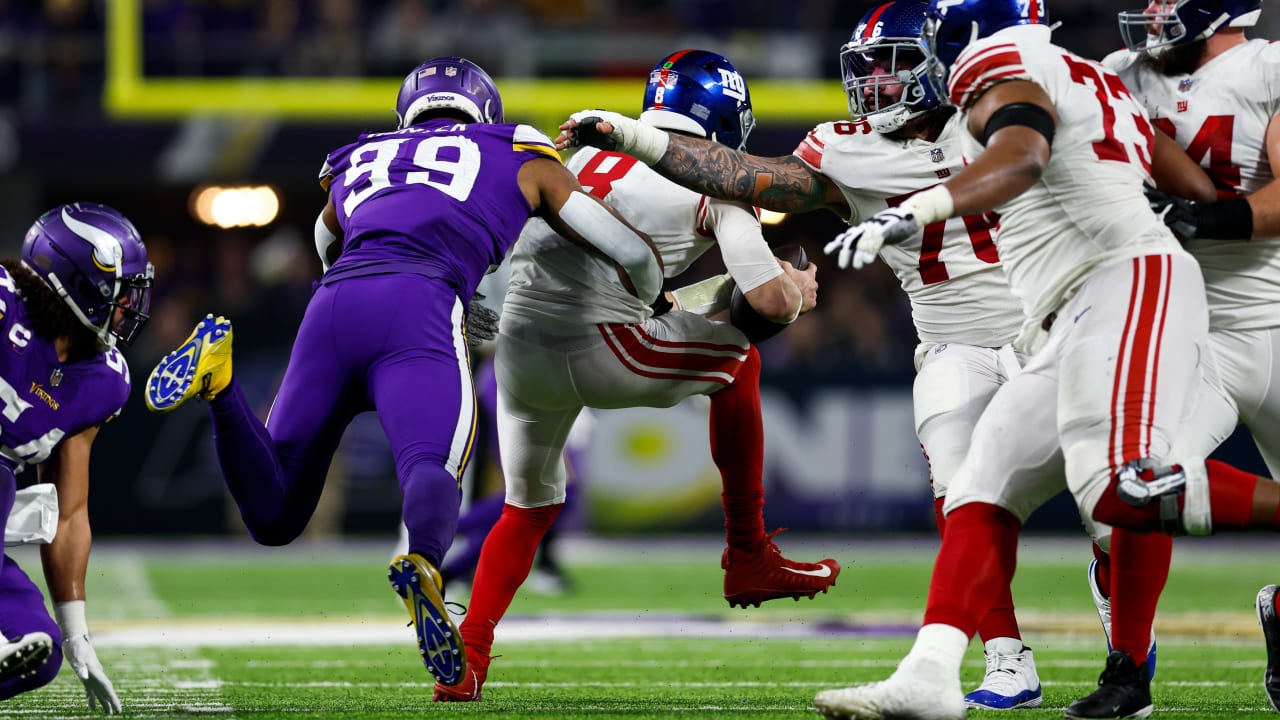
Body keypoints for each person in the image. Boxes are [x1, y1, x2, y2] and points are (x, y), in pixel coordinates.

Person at [759, 0, 1280, 717]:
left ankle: (1109, 665)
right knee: (980, 484)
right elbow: (1194, 189)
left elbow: (1024, 153)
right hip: (1080, 304)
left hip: (1123, 287)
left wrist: (918, 208)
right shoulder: (1097, 75)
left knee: (1121, 490)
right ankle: (930, 676)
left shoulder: (1000, 61)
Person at [556, 1, 1046, 708]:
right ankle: (1005, 659)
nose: (876, 81)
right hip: (951, 339)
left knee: (1109, 495)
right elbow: (743, 177)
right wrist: (637, 138)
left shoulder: (1014, 113)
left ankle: (1128, 653)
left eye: (897, 63)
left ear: (945, 61)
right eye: (869, 65)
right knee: (962, 496)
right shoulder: (846, 145)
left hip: (1049, 327)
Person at [141, 56, 665, 689]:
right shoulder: (518, 146)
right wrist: (655, 298)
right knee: (431, 463)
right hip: (419, 304)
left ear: (407, 113)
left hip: (332, 308)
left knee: (274, 515)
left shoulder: (361, 156)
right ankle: (423, 563)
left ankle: (220, 387)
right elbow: (626, 246)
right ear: (485, 111)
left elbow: (326, 239)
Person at [435, 48, 838, 703]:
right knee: (741, 363)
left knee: (527, 508)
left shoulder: (586, 154)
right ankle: (748, 552)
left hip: (519, 352)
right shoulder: (714, 176)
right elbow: (766, 304)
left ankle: (468, 662)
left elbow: (640, 284)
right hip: (598, 345)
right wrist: (794, 286)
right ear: (726, 114)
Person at [1104, 0, 1280, 710]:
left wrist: (1206, 216)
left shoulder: (1265, 67)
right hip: (1182, 324)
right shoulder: (1121, 74)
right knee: (1141, 481)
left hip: (1273, 315)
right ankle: (1128, 668)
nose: (1150, 13)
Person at [0, 202, 154, 714]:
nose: (130, 304)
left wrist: (76, 632)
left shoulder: (104, 380)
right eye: (121, 290)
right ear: (79, 283)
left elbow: (69, 514)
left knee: (37, 653)